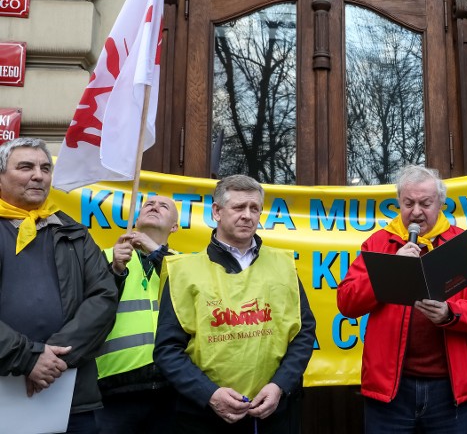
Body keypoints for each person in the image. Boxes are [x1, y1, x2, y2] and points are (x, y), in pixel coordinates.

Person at [337, 164, 467, 434]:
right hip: (391, 391)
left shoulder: (464, 246)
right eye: (408, 203)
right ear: (399, 203)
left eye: (425, 203)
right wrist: (391, 270)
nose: (415, 212)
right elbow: (347, 302)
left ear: (441, 204)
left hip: (449, 392)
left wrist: (451, 313)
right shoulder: (378, 244)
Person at [154, 175, 315, 434]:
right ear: (217, 212)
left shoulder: (283, 265)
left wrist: (279, 386)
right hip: (204, 417)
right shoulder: (183, 271)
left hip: (276, 414)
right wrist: (209, 394)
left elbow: (304, 333)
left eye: (255, 208)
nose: (248, 215)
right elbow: (167, 350)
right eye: (239, 207)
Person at [0, 137, 118, 433]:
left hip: (70, 395)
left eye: (44, 168)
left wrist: (52, 358)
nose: (38, 175)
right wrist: (28, 357)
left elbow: (104, 297)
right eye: (25, 167)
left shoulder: (75, 232)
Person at [95, 195, 180, 433]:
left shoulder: (183, 265)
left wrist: (155, 251)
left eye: (164, 206)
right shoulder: (105, 256)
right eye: (148, 205)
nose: (154, 207)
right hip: (114, 388)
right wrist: (114, 271)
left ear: (175, 226)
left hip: (171, 387)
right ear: (136, 218)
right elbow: (90, 309)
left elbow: (196, 296)